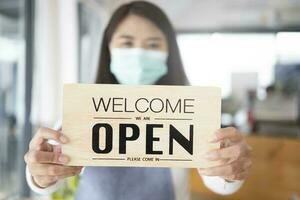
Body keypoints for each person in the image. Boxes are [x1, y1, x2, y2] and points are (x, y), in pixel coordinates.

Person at [24, 1, 252, 200]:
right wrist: (40, 173)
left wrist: (229, 170)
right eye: (126, 43)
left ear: (168, 51)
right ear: (108, 49)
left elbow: (218, 178)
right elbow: (51, 174)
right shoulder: (81, 108)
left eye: (153, 44)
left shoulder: (191, 109)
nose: (139, 54)